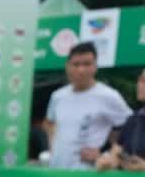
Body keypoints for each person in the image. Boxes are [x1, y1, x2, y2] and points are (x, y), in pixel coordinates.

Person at [43, 42, 131, 170]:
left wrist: (105, 151)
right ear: (67, 66)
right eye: (76, 64)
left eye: (87, 64)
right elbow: (49, 123)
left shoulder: (108, 96)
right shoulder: (57, 96)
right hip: (56, 170)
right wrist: (52, 148)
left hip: (89, 174)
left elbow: (132, 128)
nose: (81, 70)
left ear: (95, 66)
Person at [95, 68, 145, 172]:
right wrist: (106, 163)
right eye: (140, 80)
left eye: (144, 81)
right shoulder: (133, 120)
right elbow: (115, 156)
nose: (140, 84)